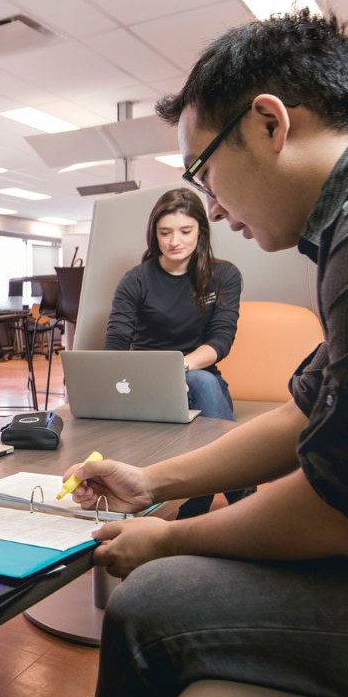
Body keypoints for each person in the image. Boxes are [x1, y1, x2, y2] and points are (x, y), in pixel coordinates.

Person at [64, 10, 348, 697]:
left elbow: (344, 504)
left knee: (153, 604)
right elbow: (309, 414)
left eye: (204, 172)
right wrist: (155, 485)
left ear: (269, 123)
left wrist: (169, 538)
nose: (213, 205)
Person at [104, 187, 243, 517]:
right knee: (199, 383)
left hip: (199, 378)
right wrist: (154, 379)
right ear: (154, 233)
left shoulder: (224, 276)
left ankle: (235, 494)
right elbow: (116, 346)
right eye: (165, 232)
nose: (174, 241)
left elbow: (220, 340)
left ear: (201, 231)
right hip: (143, 383)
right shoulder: (135, 280)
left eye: (185, 231)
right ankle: (214, 497)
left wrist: (179, 368)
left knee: (203, 382)